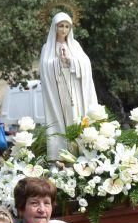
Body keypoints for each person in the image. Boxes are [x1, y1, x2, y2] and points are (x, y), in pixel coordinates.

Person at [39, 13, 97, 162]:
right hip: (59, 93)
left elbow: (85, 65)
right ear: (54, 27)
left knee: (76, 118)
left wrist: (70, 60)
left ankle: (82, 154)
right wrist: (58, 62)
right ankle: (62, 157)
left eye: (67, 26)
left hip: (75, 92)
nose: (64, 30)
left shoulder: (75, 45)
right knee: (62, 122)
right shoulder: (47, 48)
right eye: (61, 26)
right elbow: (45, 70)